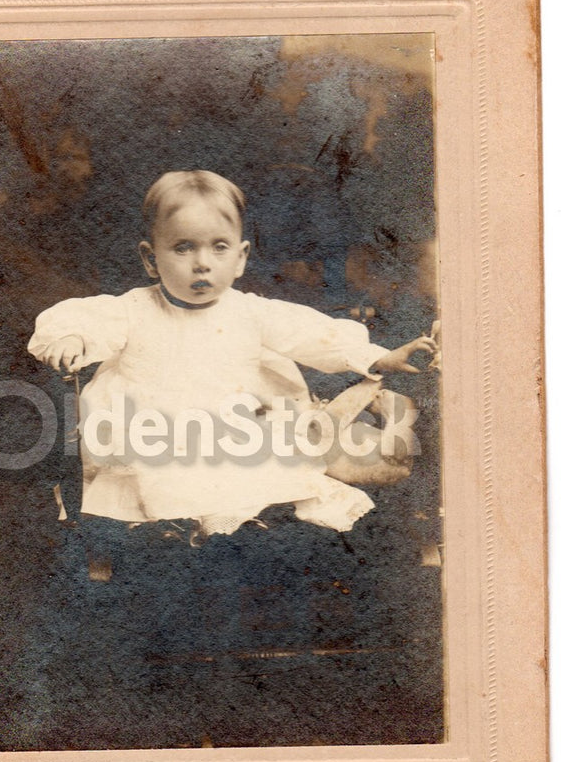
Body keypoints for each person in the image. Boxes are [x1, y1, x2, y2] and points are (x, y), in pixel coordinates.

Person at [28, 170, 436, 543]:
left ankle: (243, 532)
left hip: (237, 429)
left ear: (240, 258)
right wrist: (70, 338)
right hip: (162, 433)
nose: (203, 263)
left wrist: (379, 358)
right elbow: (84, 318)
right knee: (173, 470)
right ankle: (188, 526)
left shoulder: (250, 312)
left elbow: (315, 335)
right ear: (151, 259)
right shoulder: (134, 310)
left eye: (219, 248)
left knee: (265, 466)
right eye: (183, 248)